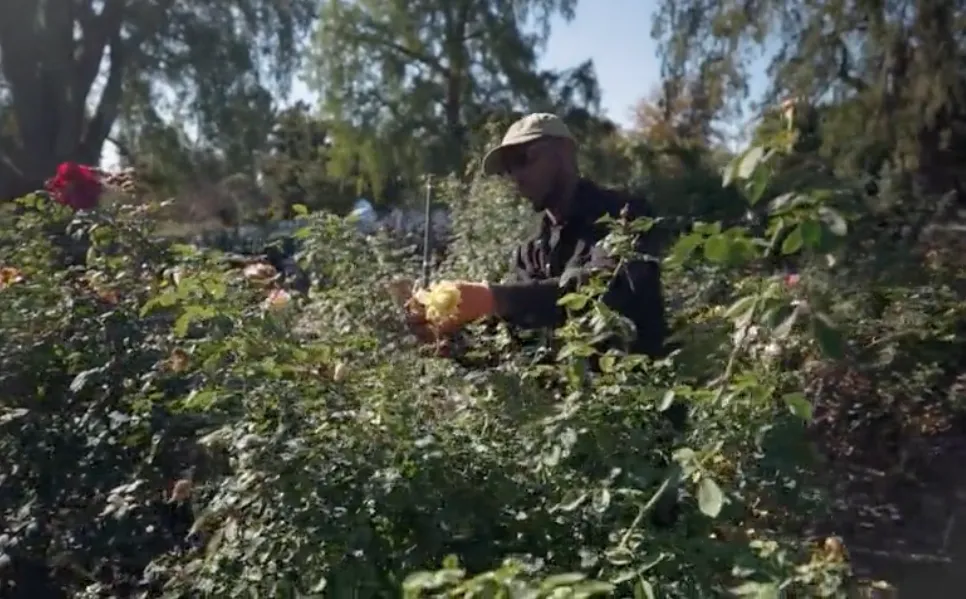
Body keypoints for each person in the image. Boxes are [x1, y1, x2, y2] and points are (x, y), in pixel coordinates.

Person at [404, 112, 667, 360]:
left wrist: (495, 298)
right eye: (508, 168)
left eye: (523, 159)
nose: (515, 176)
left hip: (637, 400)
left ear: (564, 152)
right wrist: (453, 342)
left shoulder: (624, 214)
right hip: (572, 406)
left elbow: (606, 292)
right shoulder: (530, 251)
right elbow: (522, 344)